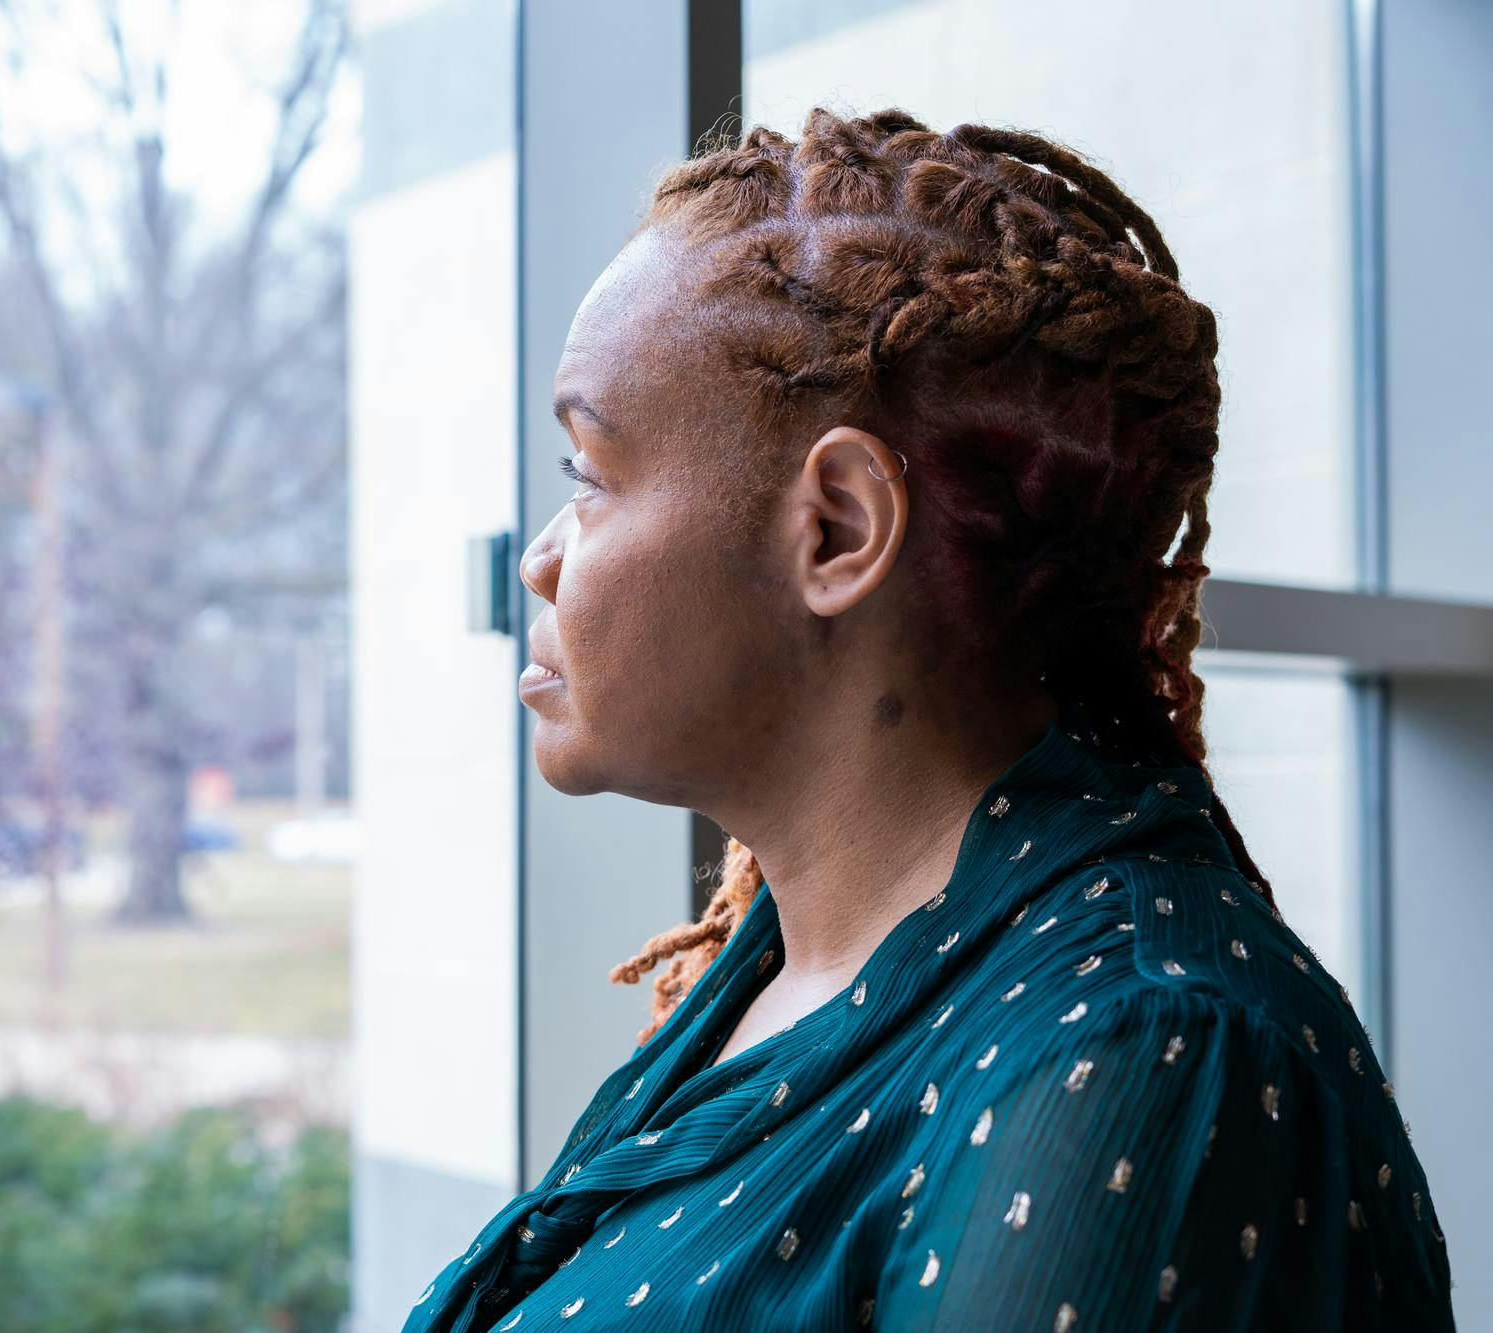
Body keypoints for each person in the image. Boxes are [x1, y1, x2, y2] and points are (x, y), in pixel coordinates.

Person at [406, 107, 1454, 1331]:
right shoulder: (794, 963)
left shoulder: (1131, 1056)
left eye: (587, 476)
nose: (539, 560)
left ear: (836, 530)